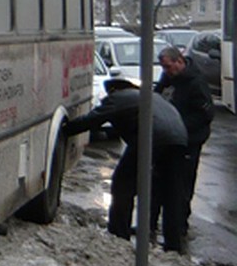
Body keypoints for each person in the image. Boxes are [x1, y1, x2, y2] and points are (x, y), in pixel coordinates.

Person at [63, 78, 189, 252]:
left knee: (123, 185)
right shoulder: (150, 96)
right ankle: (174, 244)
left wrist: (66, 129)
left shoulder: (119, 97)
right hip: (179, 139)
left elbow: (93, 120)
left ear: (113, 90)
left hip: (150, 138)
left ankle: (118, 234)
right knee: (171, 192)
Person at [156, 45, 215, 223]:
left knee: (183, 182)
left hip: (189, 139)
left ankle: (180, 222)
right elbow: (157, 97)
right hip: (168, 138)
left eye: (168, 66)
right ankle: (154, 221)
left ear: (180, 61)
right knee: (161, 180)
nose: (166, 71)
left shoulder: (195, 83)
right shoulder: (168, 79)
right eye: (164, 67)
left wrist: (180, 126)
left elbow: (205, 114)